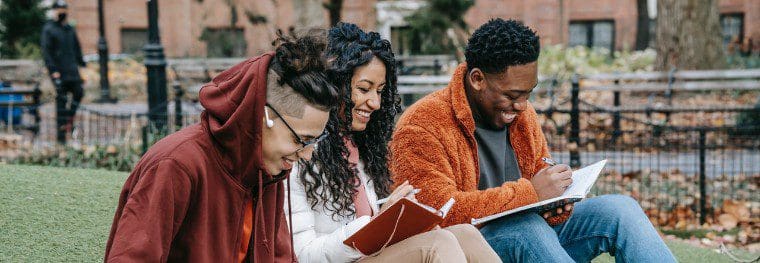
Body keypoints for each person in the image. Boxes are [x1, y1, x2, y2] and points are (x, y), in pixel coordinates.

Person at [389, 18, 676, 263]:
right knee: (525, 227)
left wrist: (556, 204)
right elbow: (434, 214)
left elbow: (540, 174)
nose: (523, 106)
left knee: (619, 209)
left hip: (533, 240)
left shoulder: (522, 116)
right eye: (513, 95)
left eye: (529, 93)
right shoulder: (421, 124)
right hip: (470, 249)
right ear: (477, 79)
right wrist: (531, 194)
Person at [104, 30, 340, 262]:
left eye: (314, 142)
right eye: (300, 140)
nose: (307, 154)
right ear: (263, 116)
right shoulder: (176, 164)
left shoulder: (267, 170)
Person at [285, 23, 500, 263]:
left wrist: (404, 222)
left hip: (367, 255)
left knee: (465, 234)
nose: (375, 103)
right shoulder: (298, 153)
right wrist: (376, 225)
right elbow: (302, 254)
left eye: (379, 91)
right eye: (364, 89)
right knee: (438, 244)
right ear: (334, 85)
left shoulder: (359, 147)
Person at [41, 0, 85, 144]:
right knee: (61, 100)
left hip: (72, 70)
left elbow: (77, 49)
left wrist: (82, 65)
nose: (61, 12)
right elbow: (47, 52)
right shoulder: (49, 29)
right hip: (58, 72)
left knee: (79, 92)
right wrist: (53, 70)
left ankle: (68, 120)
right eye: (59, 9)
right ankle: (61, 138)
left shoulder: (69, 29)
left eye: (63, 9)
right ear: (54, 11)